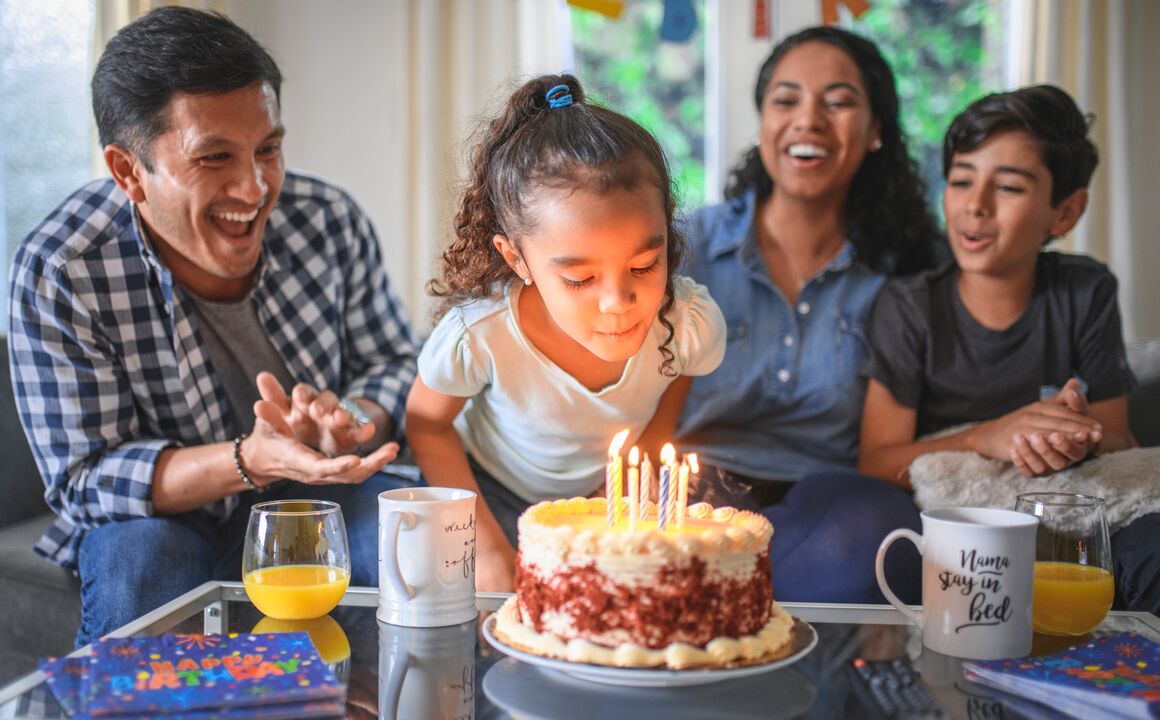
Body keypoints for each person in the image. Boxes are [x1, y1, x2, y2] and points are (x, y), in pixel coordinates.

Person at [7, 7, 420, 645]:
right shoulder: (61, 269)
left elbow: (396, 363)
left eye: (269, 149)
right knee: (140, 566)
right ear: (128, 172)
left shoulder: (330, 219)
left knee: (407, 547)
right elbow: (84, 480)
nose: (254, 187)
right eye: (214, 157)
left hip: (318, 498)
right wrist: (247, 460)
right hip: (162, 516)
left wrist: (347, 422)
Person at [405, 75, 726, 593]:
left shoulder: (687, 324)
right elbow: (425, 424)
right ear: (517, 258)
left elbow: (678, 375)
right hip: (487, 494)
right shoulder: (479, 336)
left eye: (645, 266)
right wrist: (481, 545)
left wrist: (641, 463)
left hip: (604, 497)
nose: (618, 303)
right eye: (579, 279)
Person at [859, 84, 1157, 612]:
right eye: (960, 181)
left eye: (1010, 188)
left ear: (1064, 213)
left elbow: (1117, 438)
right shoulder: (909, 306)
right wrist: (991, 436)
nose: (975, 206)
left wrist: (1072, 435)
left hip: (1057, 521)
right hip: (955, 523)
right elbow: (877, 461)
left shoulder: (1085, 291)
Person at [673, 26, 942, 602]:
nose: (808, 120)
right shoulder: (685, 247)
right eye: (786, 100)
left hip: (834, 499)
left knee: (883, 536)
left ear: (874, 132)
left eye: (839, 102)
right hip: (694, 486)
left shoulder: (910, 270)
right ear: (765, 122)